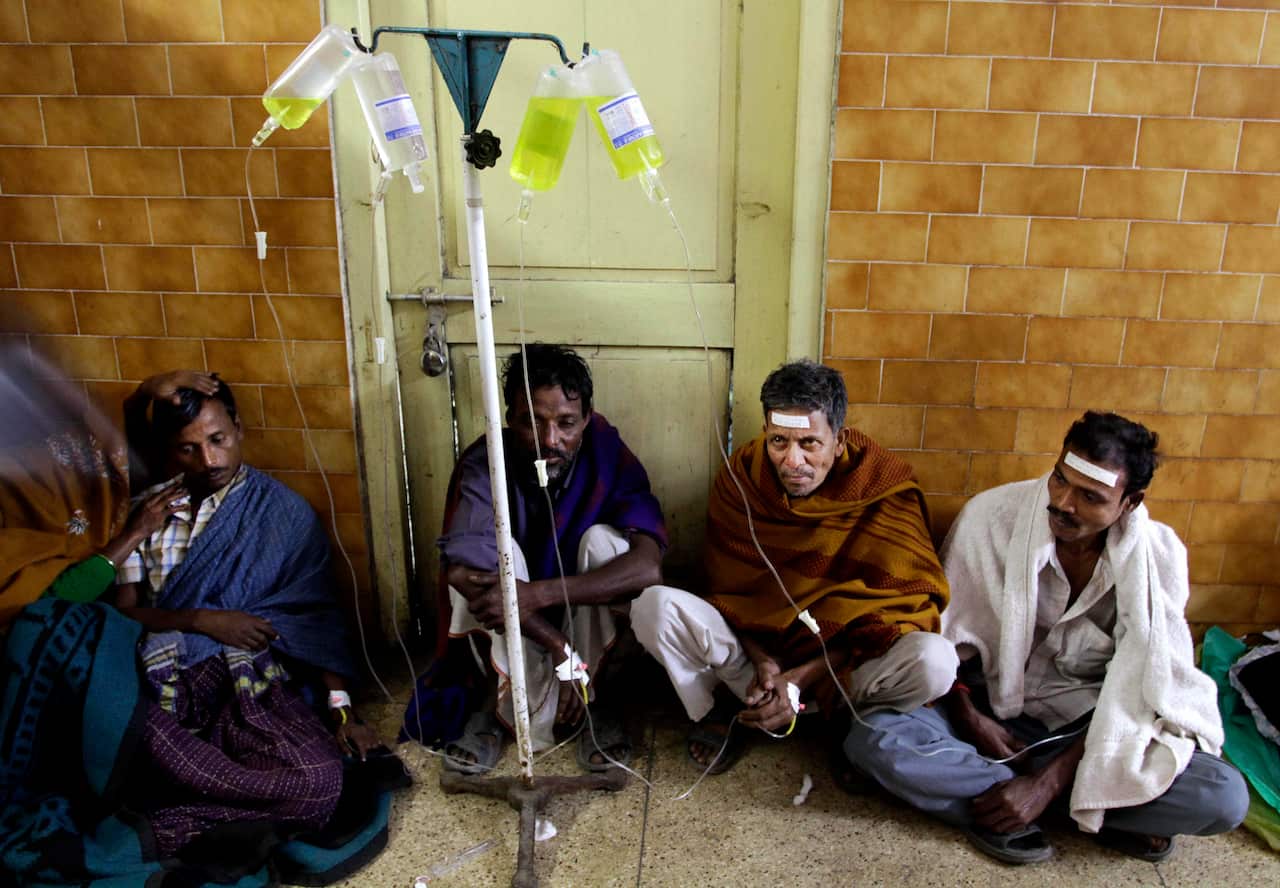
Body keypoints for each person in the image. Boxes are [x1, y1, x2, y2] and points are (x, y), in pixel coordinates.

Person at [844, 411, 1249, 864]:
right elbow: (943, 633)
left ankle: (1006, 805)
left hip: (1087, 737)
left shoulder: (1158, 557)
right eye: (1060, 480)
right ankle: (1085, 810)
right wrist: (970, 718)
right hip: (981, 717)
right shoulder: (992, 516)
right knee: (873, 737)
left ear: (1129, 503)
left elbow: (1144, 696)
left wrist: (1048, 782)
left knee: (1222, 797)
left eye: (1090, 497)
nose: (1063, 503)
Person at [109, 371, 401, 875]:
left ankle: (173, 819)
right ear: (169, 451)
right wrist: (201, 620)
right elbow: (122, 615)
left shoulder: (283, 514)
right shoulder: (148, 513)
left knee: (317, 781)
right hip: (163, 685)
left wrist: (344, 715)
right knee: (123, 754)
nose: (209, 460)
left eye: (218, 440)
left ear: (239, 429)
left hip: (250, 688)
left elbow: (314, 621)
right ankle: (219, 807)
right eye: (188, 449)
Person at [630, 359, 954, 775]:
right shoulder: (743, 480)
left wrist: (801, 678)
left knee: (935, 661)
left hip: (840, 669)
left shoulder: (881, 486)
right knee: (653, 607)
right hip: (755, 663)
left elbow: (899, 614)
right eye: (779, 441)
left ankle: (839, 722)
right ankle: (734, 710)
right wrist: (764, 663)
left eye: (809, 444)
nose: (792, 461)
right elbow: (729, 596)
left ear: (839, 440)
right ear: (765, 431)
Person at [439, 343, 673, 772]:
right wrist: (560, 648)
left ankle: (595, 701)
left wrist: (540, 595)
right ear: (510, 419)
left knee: (605, 544)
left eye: (566, 423)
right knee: (490, 560)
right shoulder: (486, 461)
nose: (550, 441)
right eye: (533, 423)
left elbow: (647, 566)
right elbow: (459, 572)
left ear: (586, 418)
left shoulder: (605, 451)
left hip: (571, 611)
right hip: (517, 620)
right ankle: (497, 706)